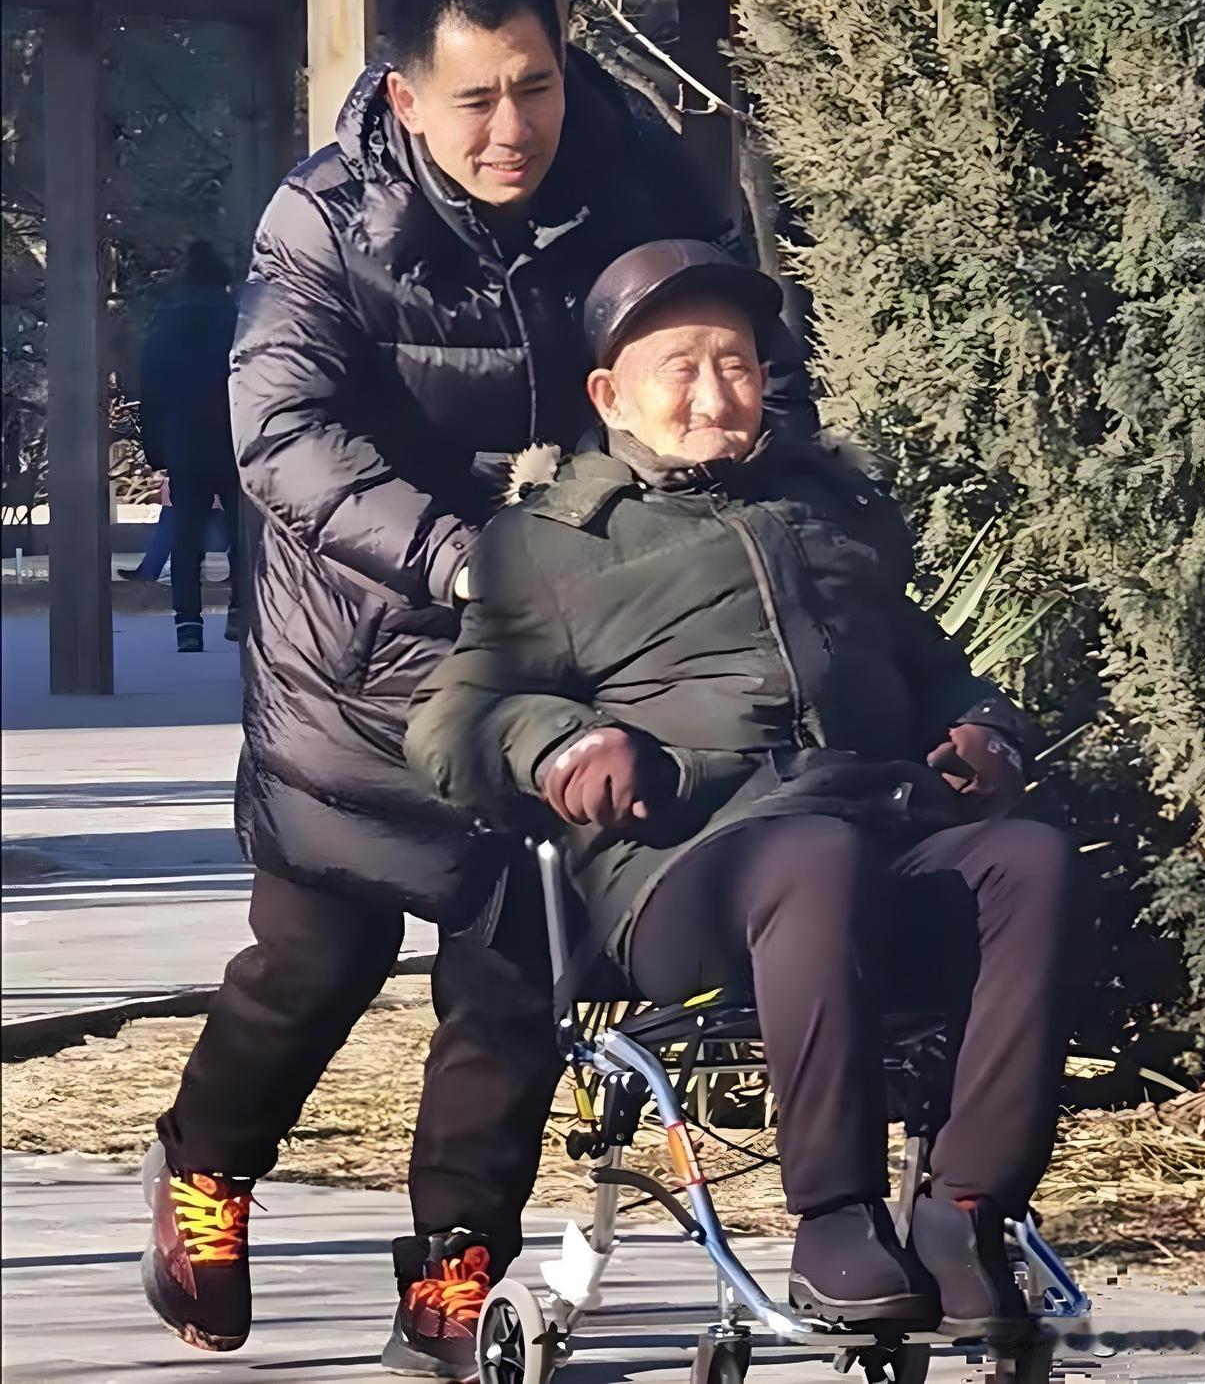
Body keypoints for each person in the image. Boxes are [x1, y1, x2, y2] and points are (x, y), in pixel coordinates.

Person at [141, 0, 815, 1375]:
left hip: (574, 644)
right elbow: (281, 432)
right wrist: (458, 556)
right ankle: (206, 1165)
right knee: (316, 958)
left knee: (514, 975)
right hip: (361, 654)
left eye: (536, 87)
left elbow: (748, 355)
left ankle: (457, 1265)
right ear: (405, 95)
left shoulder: (638, 177)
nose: (513, 127)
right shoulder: (326, 217)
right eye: (475, 100)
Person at [404, 239, 1089, 1343]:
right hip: (685, 868)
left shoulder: (826, 509)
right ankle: (835, 1214)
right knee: (812, 855)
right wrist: (562, 746)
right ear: (608, 395)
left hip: (875, 827)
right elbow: (448, 722)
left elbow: (930, 663)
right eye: (678, 368)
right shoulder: (549, 545)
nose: (714, 394)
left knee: (1026, 859)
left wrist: (983, 727)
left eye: (734, 364)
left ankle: (967, 1208)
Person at [137, 240, 242, 649]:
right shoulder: (237, 320)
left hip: (184, 439)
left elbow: (151, 389)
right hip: (233, 439)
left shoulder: (166, 325)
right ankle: (240, 609)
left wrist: (156, 450)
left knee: (187, 533)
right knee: (242, 534)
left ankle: (188, 624)